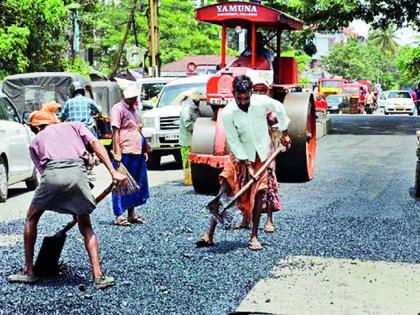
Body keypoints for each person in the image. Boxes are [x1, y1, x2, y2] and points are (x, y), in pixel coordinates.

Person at [8, 109, 127, 289]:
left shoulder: (36, 142)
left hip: (52, 174)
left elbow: (47, 175)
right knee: (85, 224)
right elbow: (94, 143)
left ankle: (29, 271)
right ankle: (98, 276)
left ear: (39, 126)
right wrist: (113, 172)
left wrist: (63, 198)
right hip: (77, 174)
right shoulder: (75, 126)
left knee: (32, 217)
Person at [196, 75, 291, 251]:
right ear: (234, 94)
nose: (243, 101)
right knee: (224, 186)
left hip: (261, 155)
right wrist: (246, 164)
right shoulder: (228, 112)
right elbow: (233, 139)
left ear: (250, 93)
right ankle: (209, 234)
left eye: (246, 97)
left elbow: (278, 107)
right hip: (239, 155)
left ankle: (254, 236)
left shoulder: (261, 102)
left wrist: (284, 132)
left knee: (260, 192)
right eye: (239, 98)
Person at [111, 84, 150, 226]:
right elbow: (116, 132)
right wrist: (117, 153)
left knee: (135, 183)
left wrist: (144, 149)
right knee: (120, 183)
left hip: (137, 150)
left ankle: (131, 213)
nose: (134, 98)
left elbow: (138, 129)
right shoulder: (118, 109)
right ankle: (119, 214)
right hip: (125, 150)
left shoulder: (134, 109)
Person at [179, 89, 204, 185]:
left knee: (192, 162)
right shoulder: (187, 109)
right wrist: (200, 126)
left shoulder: (194, 108)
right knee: (186, 161)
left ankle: (192, 179)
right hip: (187, 141)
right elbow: (187, 124)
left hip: (193, 140)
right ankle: (188, 179)